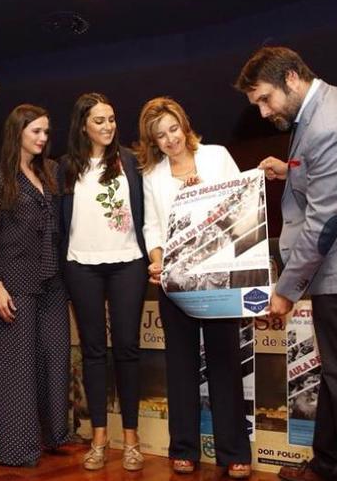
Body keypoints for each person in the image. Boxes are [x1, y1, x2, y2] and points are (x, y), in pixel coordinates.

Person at [235, 46, 337, 481]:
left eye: (265, 99)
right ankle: (328, 463)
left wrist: (286, 289)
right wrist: (291, 170)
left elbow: (325, 221)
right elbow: (334, 178)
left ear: (291, 77)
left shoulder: (329, 123)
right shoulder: (323, 109)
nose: (265, 111)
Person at [136, 96, 252, 479]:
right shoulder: (152, 175)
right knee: (180, 367)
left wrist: (204, 198)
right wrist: (156, 258)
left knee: (224, 364)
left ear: (184, 125)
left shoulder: (217, 156)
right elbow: (152, 226)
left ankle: (234, 452)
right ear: (153, 142)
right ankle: (182, 449)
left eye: (173, 129)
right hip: (176, 284)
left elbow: (243, 204)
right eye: (160, 136)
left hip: (220, 278)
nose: (170, 140)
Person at [58, 93, 147, 471]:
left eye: (111, 119)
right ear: (82, 125)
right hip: (82, 265)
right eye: (99, 120)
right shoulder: (64, 167)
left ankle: (131, 440)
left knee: (127, 348)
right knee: (93, 352)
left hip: (128, 262)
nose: (108, 126)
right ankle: (98, 438)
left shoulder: (130, 160)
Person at [0, 104, 71, 467]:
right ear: (17, 131)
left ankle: (53, 436)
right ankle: (17, 449)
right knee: (16, 368)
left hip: (53, 282)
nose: (42, 138)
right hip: (14, 281)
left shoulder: (50, 171)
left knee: (55, 359)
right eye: (36, 131)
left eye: (46, 132)